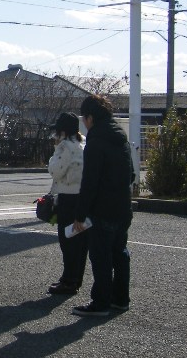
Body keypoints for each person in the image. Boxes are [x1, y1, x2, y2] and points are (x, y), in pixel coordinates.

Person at [72, 95, 134, 317]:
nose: (84, 124)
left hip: (102, 209)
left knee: (101, 257)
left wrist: (80, 214)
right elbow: (132, 174)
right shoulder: (121, 139)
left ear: (90, 117)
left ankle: (100, 303)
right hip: (123, 207)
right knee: (119, 253)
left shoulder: (96, 142)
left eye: (85, 119)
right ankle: (120, 299)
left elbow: (90, 182)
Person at [47, 112, 87, 295]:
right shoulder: (83, 144)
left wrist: (53, 155)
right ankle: (75, 278)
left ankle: (69, 281)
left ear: (62, 131)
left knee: (67, 241)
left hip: (68, 198)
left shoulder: (65, 147)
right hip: (82, 197)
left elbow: (55, 171)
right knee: (80, 242)